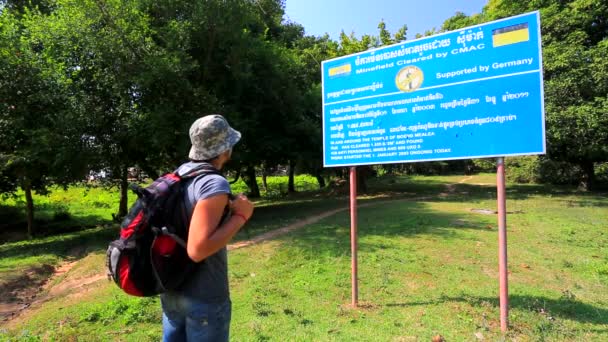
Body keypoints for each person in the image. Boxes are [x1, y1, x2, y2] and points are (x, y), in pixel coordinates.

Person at [160, 114, 254, 341]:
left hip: (172, 289)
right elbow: (198, 249)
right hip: (204, 296)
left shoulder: (180, 175)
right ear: (224, 150)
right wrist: (241, 215)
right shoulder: (213, 183)